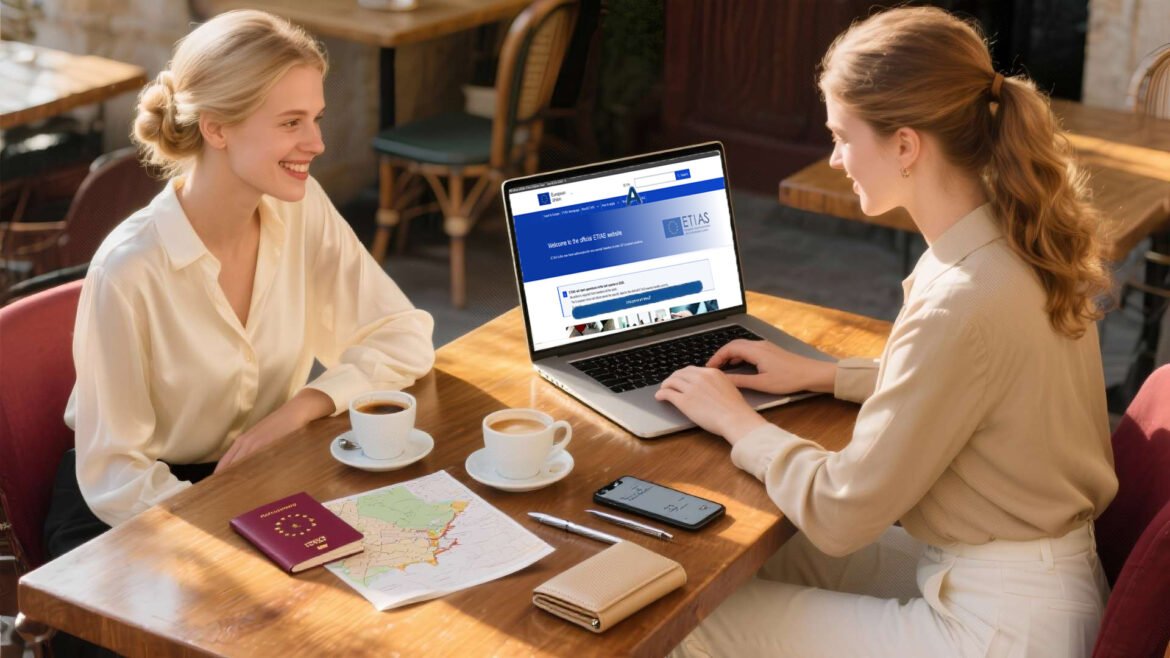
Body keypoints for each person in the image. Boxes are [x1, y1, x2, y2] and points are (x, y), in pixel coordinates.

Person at [660, 7, 1116, 657]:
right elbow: (975, 383)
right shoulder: (1014, 243)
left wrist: (738, 422)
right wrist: (823, 373)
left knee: (693, 624)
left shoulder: (961, 298)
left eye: (844, 137)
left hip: (1002, 630)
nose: (836, 158)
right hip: (1023, 580)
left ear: (905, 145)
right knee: (739, 563)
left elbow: (843, 513)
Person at [46, 9, 434, 565]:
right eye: (291, 122)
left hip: (258, 475)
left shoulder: (301, 210)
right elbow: (115, 473)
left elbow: (402, 335)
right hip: (132, 512)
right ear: (217, 128)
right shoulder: (129, 270)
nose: (317, 143)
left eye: (316, 118)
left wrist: (302, 406)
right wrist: (236, 529)